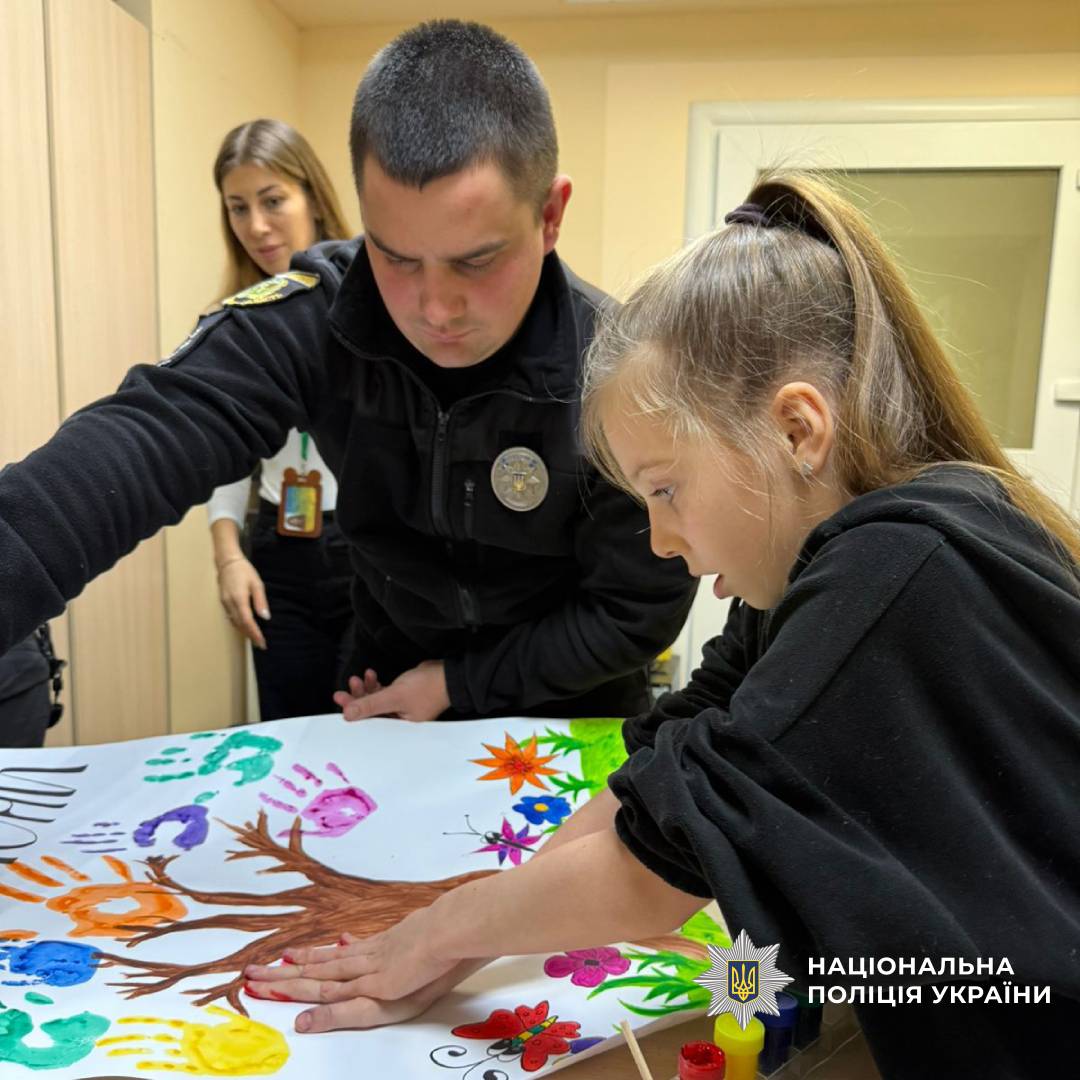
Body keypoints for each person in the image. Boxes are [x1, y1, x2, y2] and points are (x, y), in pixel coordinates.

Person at [245, 173, 1080, 1078]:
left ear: (798, 430)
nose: (662, 539)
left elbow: (654, 870)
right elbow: (670, 767)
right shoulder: (834, 571)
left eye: (666, 489)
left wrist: (430, 940)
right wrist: (470, 929)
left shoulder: (893, 572)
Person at [0, 20, 694, 724]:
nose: (435, 310)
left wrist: (457, 683)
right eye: (395, 256)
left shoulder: (618, 369)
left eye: (475, 261)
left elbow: (638, 610)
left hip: (572, 705)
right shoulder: (318, 315)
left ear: (549, 216)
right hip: (388, 696)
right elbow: (142, 438)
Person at [207, 119, 354, 721]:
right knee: (287, 734)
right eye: (238, 208)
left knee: (367, 730)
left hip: (366, 552)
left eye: (273, 201)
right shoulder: (232, 324)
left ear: (314, 198)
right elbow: (225, 460)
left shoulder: (371, 305)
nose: (257, 226)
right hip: (277, 553)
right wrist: (229, 557)